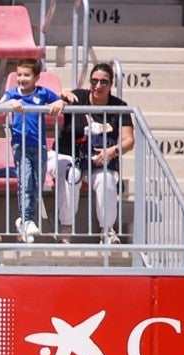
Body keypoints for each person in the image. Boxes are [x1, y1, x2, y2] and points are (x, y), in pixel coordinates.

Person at [49, 62, 134, 245]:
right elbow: (62, 99)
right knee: (71, 174)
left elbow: (129, 141)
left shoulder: (119, 106)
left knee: (107, 180)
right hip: (68, 154)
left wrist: (112, 151)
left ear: (111, 84)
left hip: (98, 159)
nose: (98, 86)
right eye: (94, 81)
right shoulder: (79, 96)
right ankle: (66, 226)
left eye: (104, 82)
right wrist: (60, 99)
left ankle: (107, 231)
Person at [0, 58, 64, 243]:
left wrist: (60, 103)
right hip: (21, 146)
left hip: (40, 146)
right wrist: (10, 104)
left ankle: (26, 221)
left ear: (36, 77)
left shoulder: (43, 93)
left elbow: (60, 101)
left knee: (36, 185)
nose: (22, 78)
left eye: (26, 75)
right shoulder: (12, 94)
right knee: (25, 183)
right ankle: (26, 219)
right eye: (19, 75)